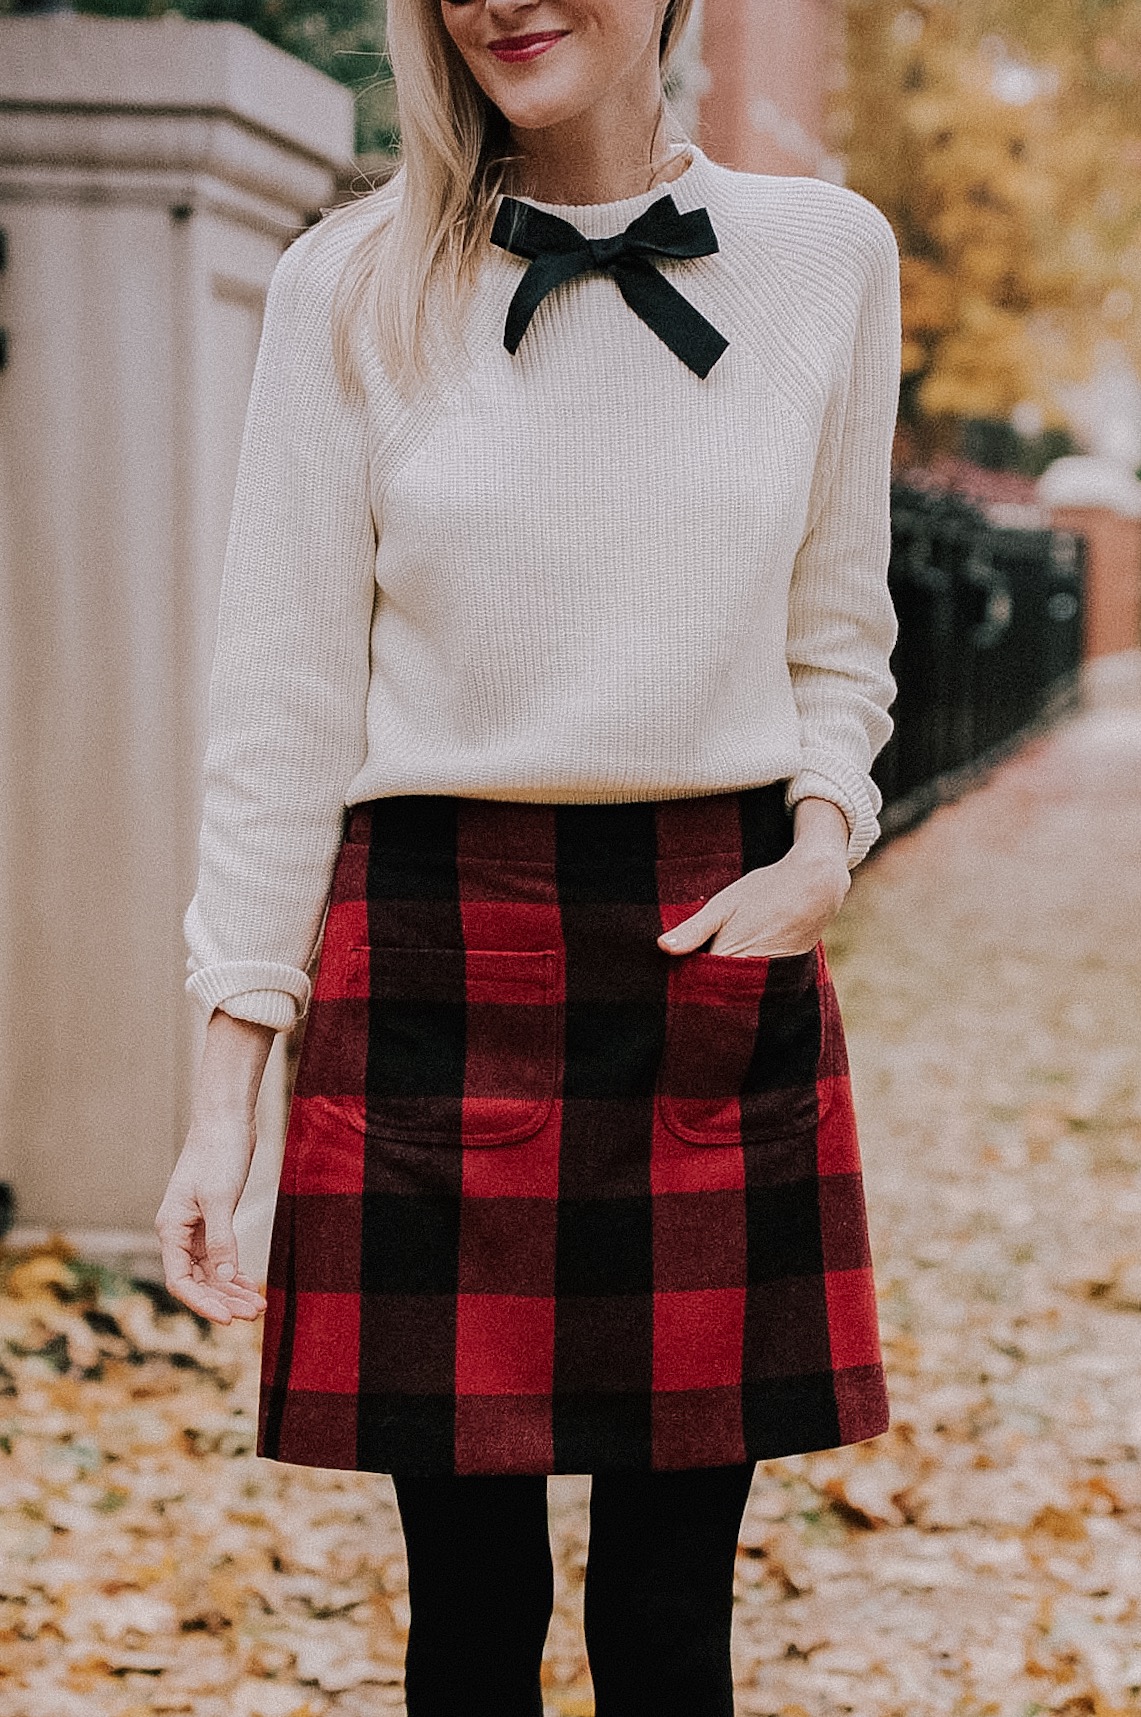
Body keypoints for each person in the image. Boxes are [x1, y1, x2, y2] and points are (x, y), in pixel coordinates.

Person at [155, 1, 902, 1711]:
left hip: (711, 935)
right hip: (430, 952)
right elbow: (281, 705)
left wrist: (821, 840)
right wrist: (225, 1088)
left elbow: (839, 622)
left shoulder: (818, 255)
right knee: (471, 1620)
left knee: (665, 1621)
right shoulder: (343, 283)